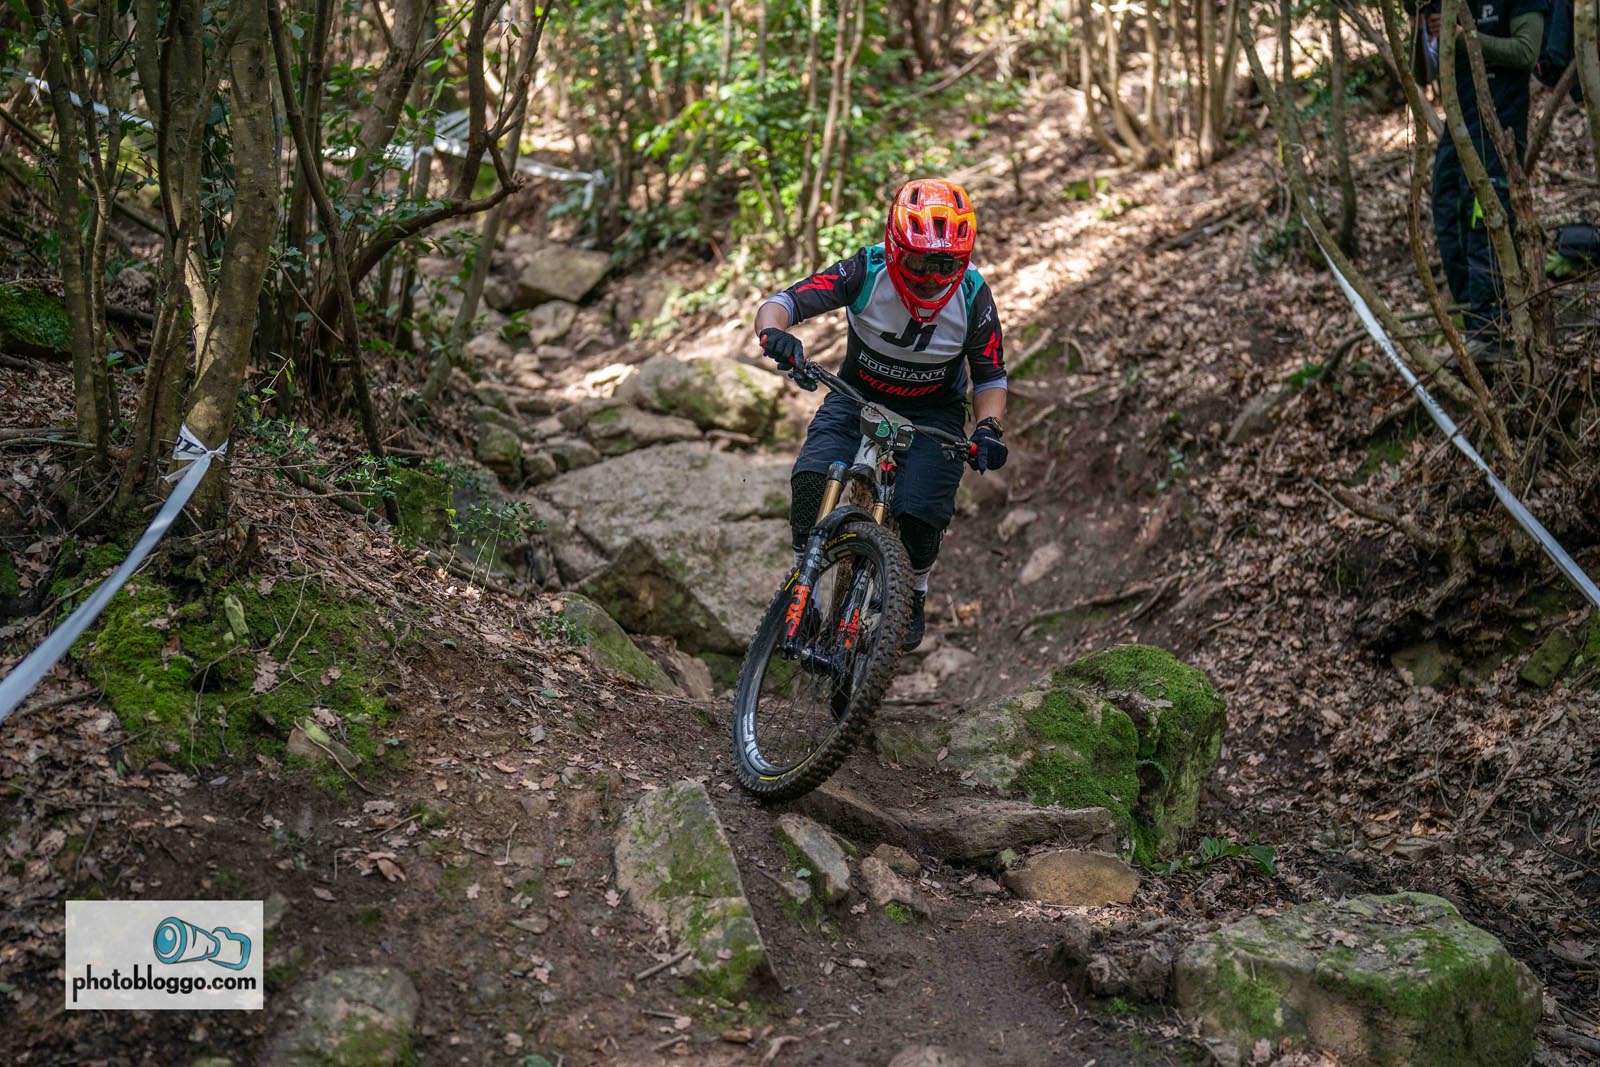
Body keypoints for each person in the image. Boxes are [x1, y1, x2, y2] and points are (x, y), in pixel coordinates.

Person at [752, 178, 1008, 653]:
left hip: (934, 413)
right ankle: (803, 581)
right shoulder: (866, 270)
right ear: (893, 247)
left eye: (945, 264)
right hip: (856, 396)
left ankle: (915, 590)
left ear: (964, 259)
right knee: (811, 478)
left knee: (922, 513)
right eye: (918, 262)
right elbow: (783, 303)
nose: (930, 277)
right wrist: (775, 334)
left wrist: (989, 428)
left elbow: (990, 375)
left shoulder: (973, 294)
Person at [1414, 0, 1549, 359]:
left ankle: (1491, 329)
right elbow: (1422, 74)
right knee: (1447, 215)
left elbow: (1526, 52)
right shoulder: (1449, 4)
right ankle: (1474, 322)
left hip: (1499, 124)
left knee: (1484, 220)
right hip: (1459, 124)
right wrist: (1422, 28)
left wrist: (1466, 38)